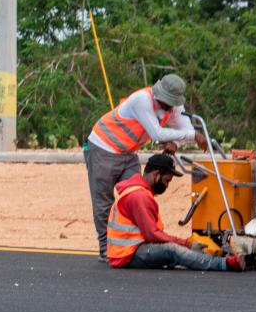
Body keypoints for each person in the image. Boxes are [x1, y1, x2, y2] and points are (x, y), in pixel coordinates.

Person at [84, 74, 196, 258]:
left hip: (128, 153)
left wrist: (176, 143)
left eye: (171, 103)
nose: (166, 106)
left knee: (139, 195)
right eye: (164, 101)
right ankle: (106, 248)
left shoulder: (175, 107)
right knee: (103, 202)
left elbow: (186, 129)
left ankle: (140, 240)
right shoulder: (141, 100)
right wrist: (189, 137)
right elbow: (157, 133)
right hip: (103, 148)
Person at [107, 152, 244, 272]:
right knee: (171, 250)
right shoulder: (139, 196)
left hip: (129, 251)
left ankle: (197, 259)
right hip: (127, 255)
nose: (167, 186)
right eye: (166, 180)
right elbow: (152, 235)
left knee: (174, 251)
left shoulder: (138, 191)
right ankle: (224, 264)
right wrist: (187, 244)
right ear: (156, 175)